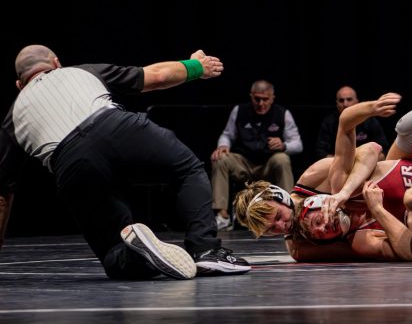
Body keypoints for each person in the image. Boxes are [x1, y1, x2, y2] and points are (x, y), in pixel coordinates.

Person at [0, 44, 251, 280]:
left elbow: (3, 194)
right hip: (116, 128)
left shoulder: (12, 116)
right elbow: (156, 76)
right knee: (186, 169)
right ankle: (206, 250)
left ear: (19, 84)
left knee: (113, 251)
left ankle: (137, 253)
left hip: (70, 162)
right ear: (56, 62)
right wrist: (197, 66)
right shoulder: (81, 71)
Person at [235, 56, 412, 242]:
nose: (280, 227)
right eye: (270, 230)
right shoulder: (299, 246)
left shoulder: (314, 179)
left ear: (279, 197)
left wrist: (344, 193)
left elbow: (371, 148)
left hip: (390, 186)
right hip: (392, 212)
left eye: (276, 218)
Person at [210, 79, 303, 230]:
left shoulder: (282, 114)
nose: (261, 103)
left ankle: (291, 210)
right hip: (244, 163)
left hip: (268, 164)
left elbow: (298, 144)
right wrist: (223, 146)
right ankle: (222, 216)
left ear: (272, 98)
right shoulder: (239, 111)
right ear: (251, 96)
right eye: (257, 99)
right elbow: (227, 134)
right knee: (220, 159)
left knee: (282, 158)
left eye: (265, 99)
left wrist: (284, 145)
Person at [315, 85, 388, 160]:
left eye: (349, 99)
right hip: (337, 166)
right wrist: (342, 163)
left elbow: (384, 151)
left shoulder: (370, 121)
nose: (345, 104)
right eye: (341, 100)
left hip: (366, 165)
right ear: (337, 104)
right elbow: (321, 153)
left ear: (357, 102)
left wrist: (363, 163)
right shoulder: (329, 123)